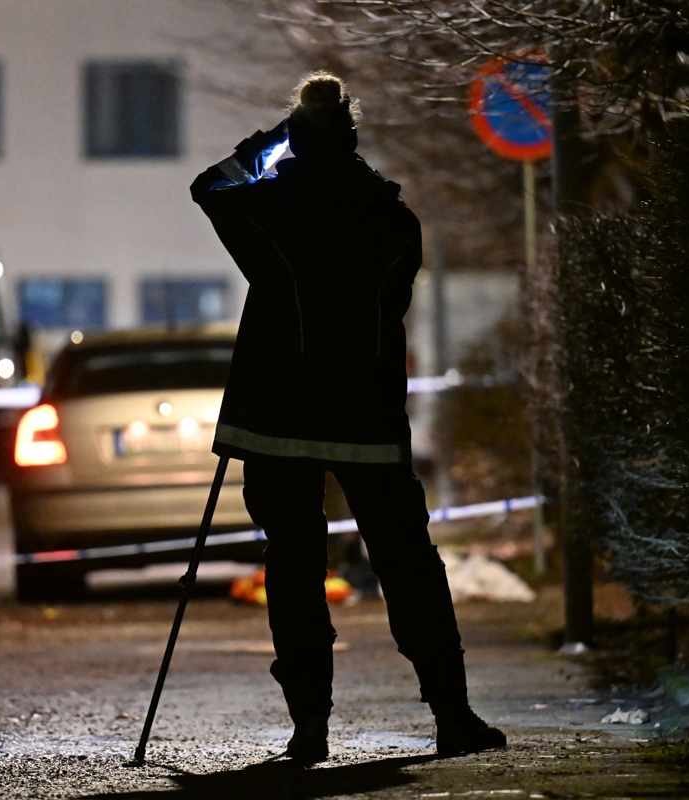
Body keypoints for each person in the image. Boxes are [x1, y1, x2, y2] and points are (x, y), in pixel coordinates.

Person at [190, 72, 506, 764]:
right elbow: (392, 303)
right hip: (366, 415)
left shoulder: (268, 207)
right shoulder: (392, 221)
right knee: (407, 563)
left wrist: (268, 145)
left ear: (297, 139)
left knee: (295, 566)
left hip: (276, 416)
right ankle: (451, 715)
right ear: (354, 139)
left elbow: (209, 187)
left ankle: (309, 730)